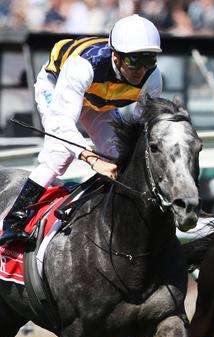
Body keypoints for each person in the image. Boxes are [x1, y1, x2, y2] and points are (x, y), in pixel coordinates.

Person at [0, 14, 163, 246]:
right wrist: (92, 158)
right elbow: (62, 123)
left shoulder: (152, 78)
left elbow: (136, 132)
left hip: (98, 102)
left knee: (120, 153)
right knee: (59, 155)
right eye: (134, 61)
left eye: (149, 60)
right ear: (116, 56)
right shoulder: (83, 66)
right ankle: (13, 222)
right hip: (57, 86)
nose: (141, 70)